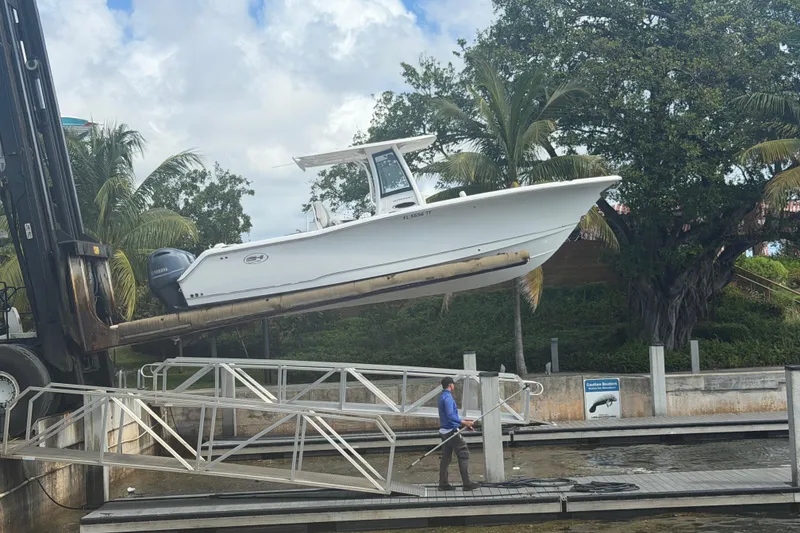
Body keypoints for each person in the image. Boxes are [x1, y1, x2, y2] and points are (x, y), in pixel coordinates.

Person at [437, 376, 480, 491]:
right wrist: (465, 422)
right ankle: (467, 483)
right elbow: (450, 416)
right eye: (453, 384)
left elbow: (449, 417)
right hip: (450, 432)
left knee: (446, 457)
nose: (454, 386)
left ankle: (443, 483)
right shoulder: (448, 398)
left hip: (444, 431)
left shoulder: (442, 397)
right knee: (463, 453)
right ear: (450, 385)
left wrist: (463, 425)